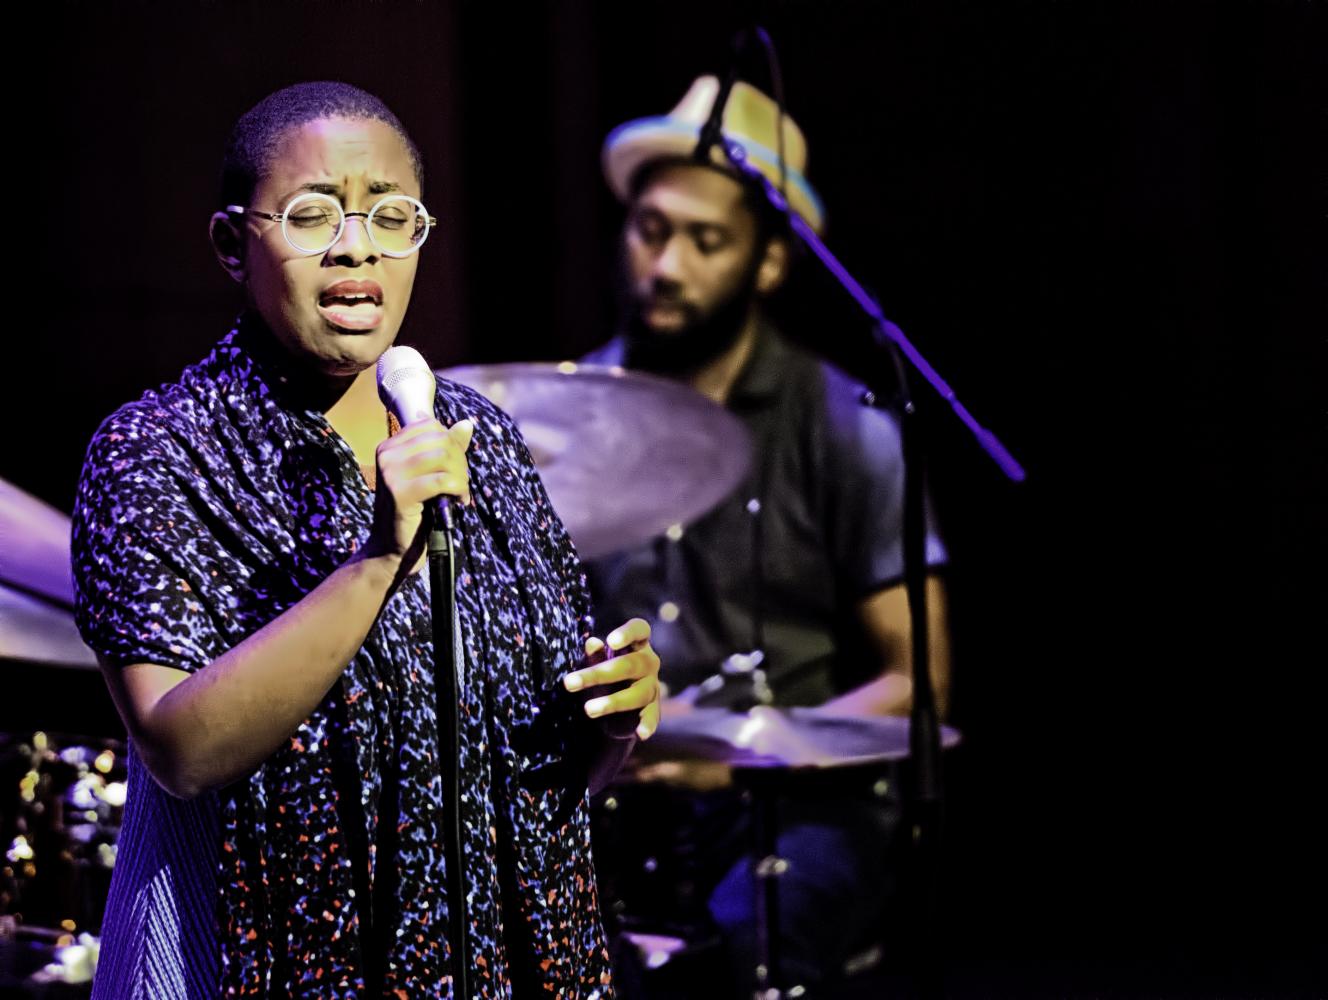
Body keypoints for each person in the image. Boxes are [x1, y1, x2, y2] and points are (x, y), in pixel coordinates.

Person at [71, 81, 660, 999]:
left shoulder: (478, 436)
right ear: (234, 245)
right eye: (313, 215)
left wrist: (614, 716)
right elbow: (179, 749)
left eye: (392, 216)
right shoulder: (157, 451)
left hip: (506, 962)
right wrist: (379, 561)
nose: (357, 244)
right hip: (280, 963)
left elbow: (547, 775)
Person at [584, 77, 951, 994]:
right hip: (613, 794)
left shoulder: (848, 428)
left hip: (794, 801)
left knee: (746, 955)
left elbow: (921, 683)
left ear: (771, 262)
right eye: (650, 229)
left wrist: (740, 744)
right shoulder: (559, 418)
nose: (665, 265)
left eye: (705, 241)